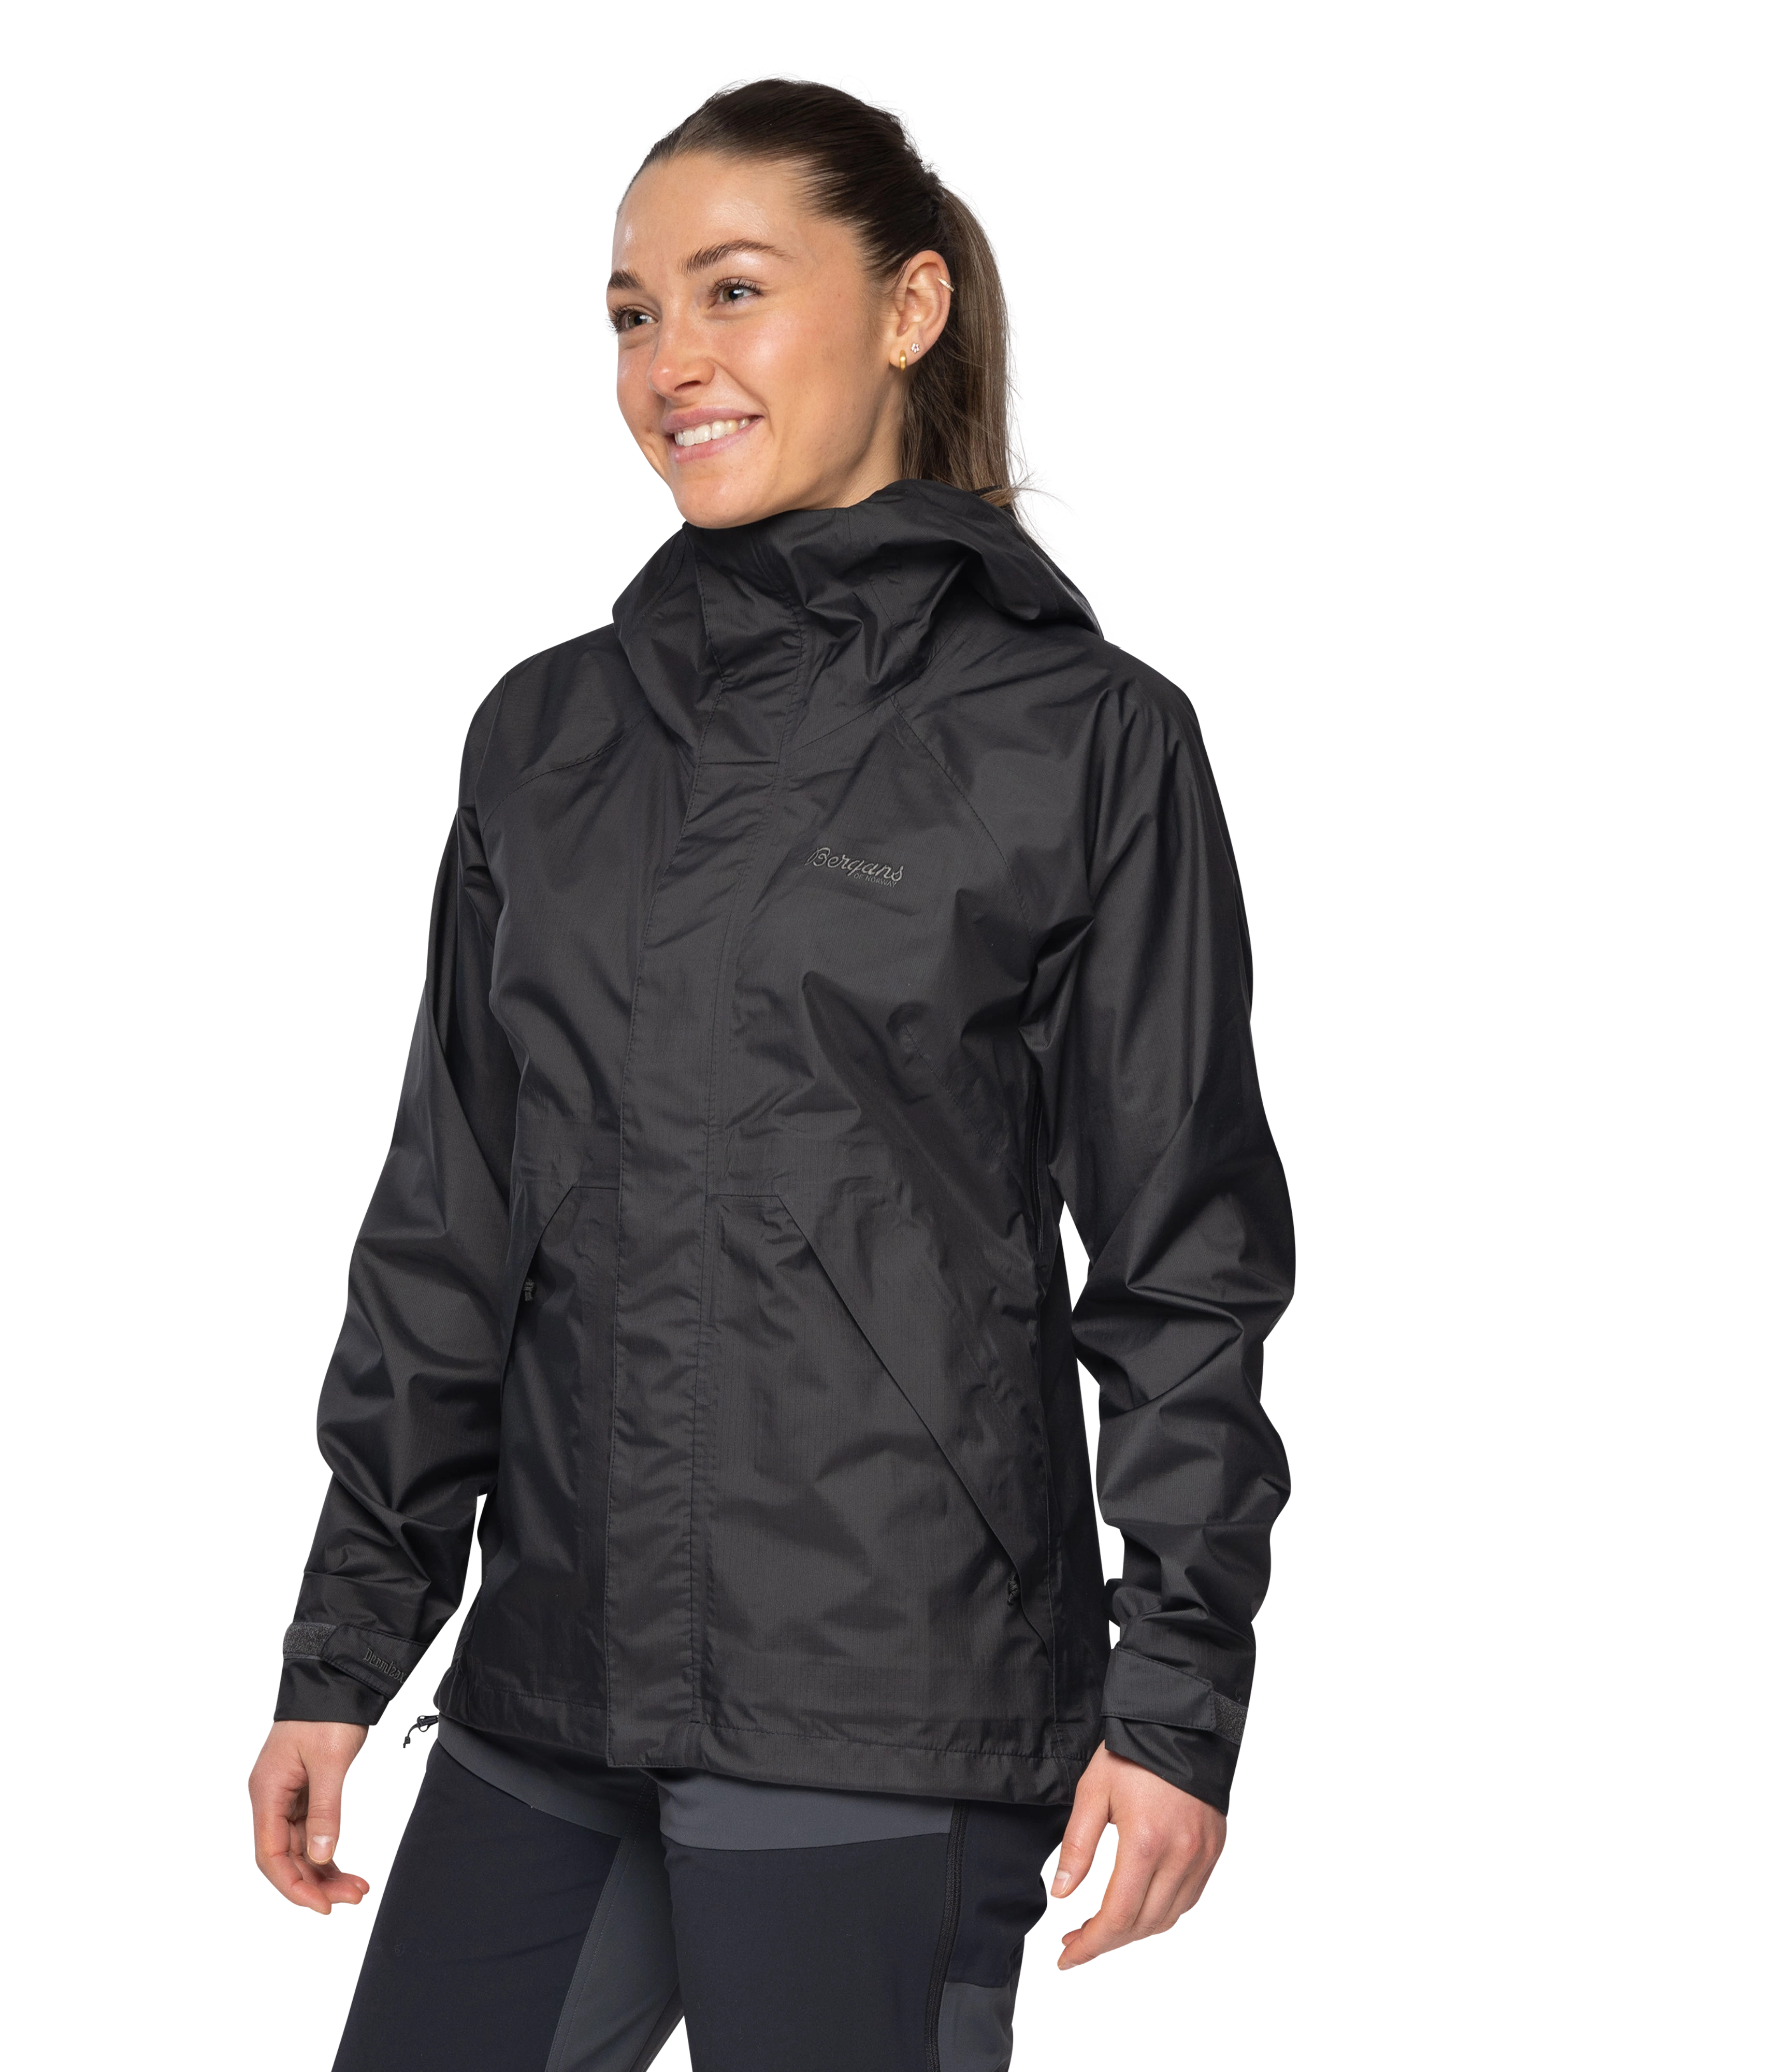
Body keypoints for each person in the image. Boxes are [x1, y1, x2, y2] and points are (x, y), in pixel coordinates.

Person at [247, 68, 1297, 2072]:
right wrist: (346, 1642)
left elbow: (1185, 1257)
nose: (670, 362)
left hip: (886, 1688)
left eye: (733, 290)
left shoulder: (1081, 739)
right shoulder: (546, 732)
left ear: (910, 307)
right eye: (633, 313)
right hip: (550, 1672)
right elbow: (448, 1214)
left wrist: (1178, 1702)